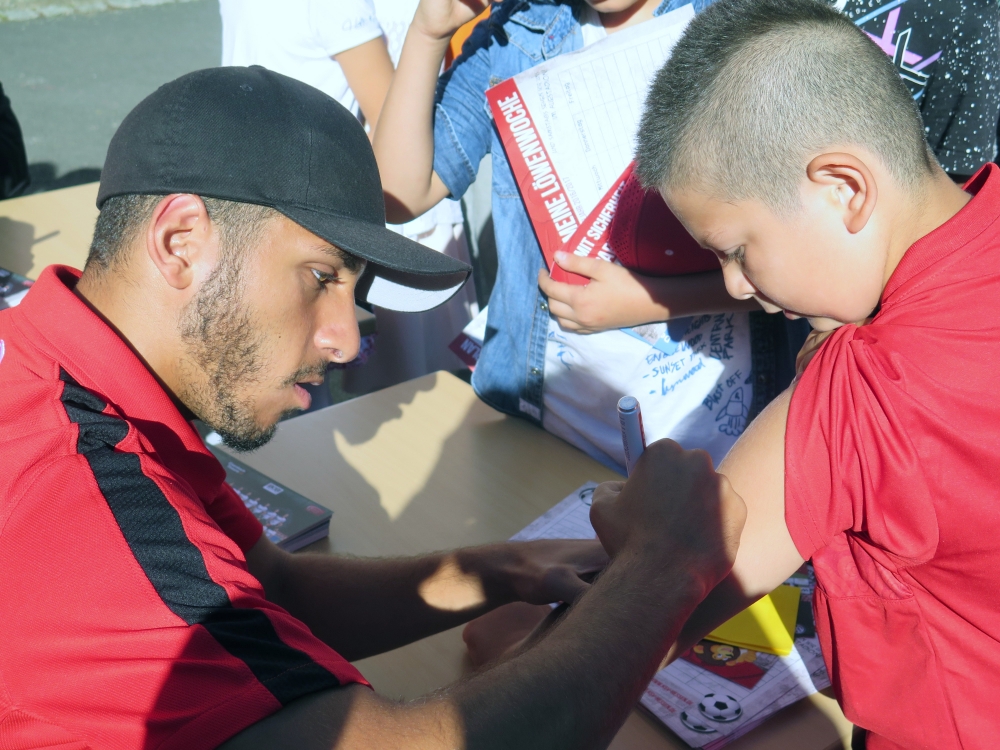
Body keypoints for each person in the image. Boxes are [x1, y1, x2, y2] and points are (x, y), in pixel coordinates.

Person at [0, 66, 746, 749]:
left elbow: (276, 590)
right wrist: (664, 564)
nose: (347, 341)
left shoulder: (80, 377)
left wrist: (510, 567)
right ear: (181, 241)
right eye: (320, 276)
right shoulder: (84, 505)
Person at [624, 0, 1000, 746]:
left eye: (736, 250)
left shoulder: (863, 389)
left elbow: (652, 608)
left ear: (844, 188)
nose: (735, 286)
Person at [374, 0, 796, 475]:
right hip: (548, 425)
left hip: (713, 437)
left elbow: (803, 261)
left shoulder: (744, 23)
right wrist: (427, 34)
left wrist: (653, 301)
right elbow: (399, 194)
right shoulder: (516, 34)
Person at [220, 0, 478, 395]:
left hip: (248, 200)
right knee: (327, 382)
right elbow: (396, 130)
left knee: (272, 377)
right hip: (317, 213)